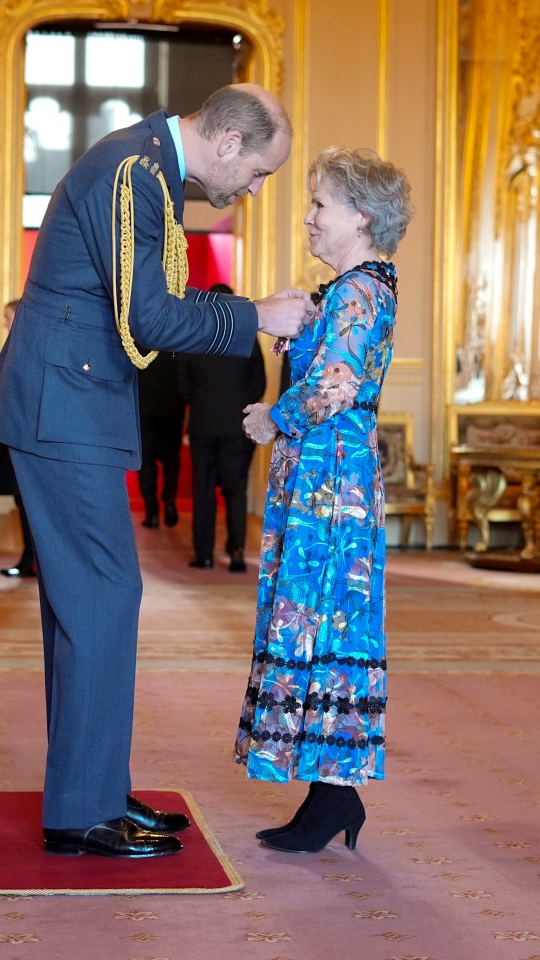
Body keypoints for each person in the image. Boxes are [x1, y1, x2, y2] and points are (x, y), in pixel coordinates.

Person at [0, 82, 314, 860]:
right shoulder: (136, 171)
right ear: (228, 144)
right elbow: (150, 316)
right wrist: (257, 314)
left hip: (71, 401)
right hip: (63, 406)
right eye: (261, 173)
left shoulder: (147, 166)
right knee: (103, 595)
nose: (255, 189)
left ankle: (89, 790)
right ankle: (81, 811)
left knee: (86, 603)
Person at [235, 145, 412, 853]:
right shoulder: (352, 290)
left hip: (330, 486)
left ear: (361, 216)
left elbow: (337, 385)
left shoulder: (359, 289)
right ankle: (332, 795)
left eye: (320, 205)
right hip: (326, 479)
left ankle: (333, 797)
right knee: (323, 622)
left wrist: (270, 417)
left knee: (328, 620)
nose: (307, 218)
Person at [177, 283, 266, 572]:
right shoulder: (247, 337)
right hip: (237, 426)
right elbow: (259, 382)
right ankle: (237, 551)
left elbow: (182, 384)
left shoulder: (196, 335)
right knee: (235, 490)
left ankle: (203, 555)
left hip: (203, 424)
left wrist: (199, 403)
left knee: (203, 492)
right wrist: (244, 407)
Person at [0, 299, 37, 577]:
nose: (4, 324)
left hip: (22, 438)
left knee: (27, 505)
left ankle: (31, 561)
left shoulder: (25, 350)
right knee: (22, 504)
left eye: (8, 318)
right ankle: (28, 559)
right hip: (15, 435)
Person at [136, 350, 185, 529]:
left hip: (145, 407)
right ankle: (169, 498)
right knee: (171, 459)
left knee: (146, 463)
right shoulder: (177, 334)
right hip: (172, 406)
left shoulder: (141, 333)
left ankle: (152, 512)